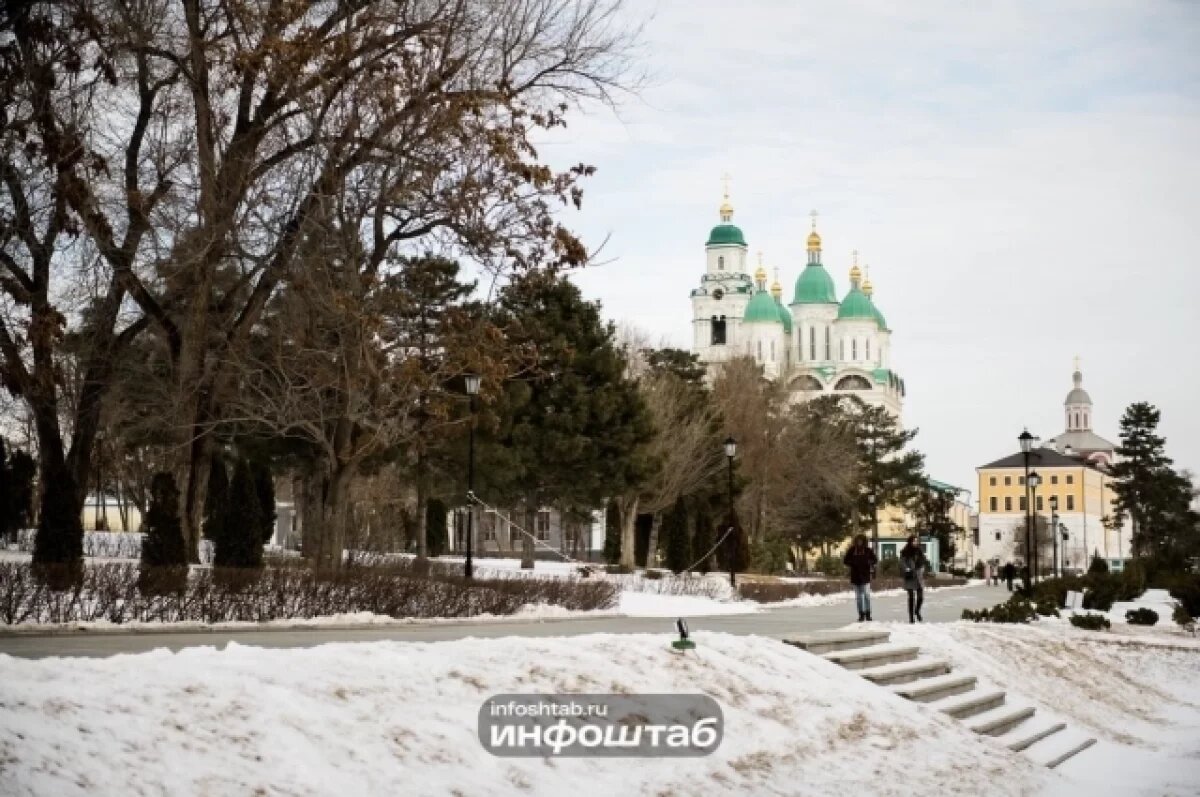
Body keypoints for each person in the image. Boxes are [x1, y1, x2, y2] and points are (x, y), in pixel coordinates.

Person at [843, 534, 878, 622]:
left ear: (864, 541)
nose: (859, 542)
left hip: (865, 576)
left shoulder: (868, 550)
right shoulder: (852, 550)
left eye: (861, 541)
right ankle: (861, 614)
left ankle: (868, 613)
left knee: (866, 595)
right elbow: (845, 561)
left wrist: (868, 562)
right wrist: (853, 563)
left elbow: (875, 560)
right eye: (858, 541)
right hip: (855, 576)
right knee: (858, 597)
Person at [900, 535, 927, 623]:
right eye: (914, 541)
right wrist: (906, 569)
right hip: (910, 575)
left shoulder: (919, 551)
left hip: (918, 575)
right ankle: (911, 617)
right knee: (911, 597)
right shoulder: (905, 551)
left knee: (921, 597)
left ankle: (917, 611)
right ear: (910, 542)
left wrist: (922, 568)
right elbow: (902, 562)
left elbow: (923, 561)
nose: (915, 543)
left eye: (916, 541)